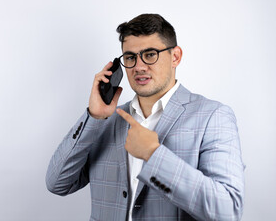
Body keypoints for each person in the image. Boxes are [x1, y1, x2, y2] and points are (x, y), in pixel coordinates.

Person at [46, 13, 245, 221]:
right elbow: (57, 183)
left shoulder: (213, 117)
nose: (139, 66)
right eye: (131, 57)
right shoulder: (105, 121)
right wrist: (94, 117)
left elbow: (228, 211)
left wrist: (154, 154)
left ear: (175, 56)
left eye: (150, 54)